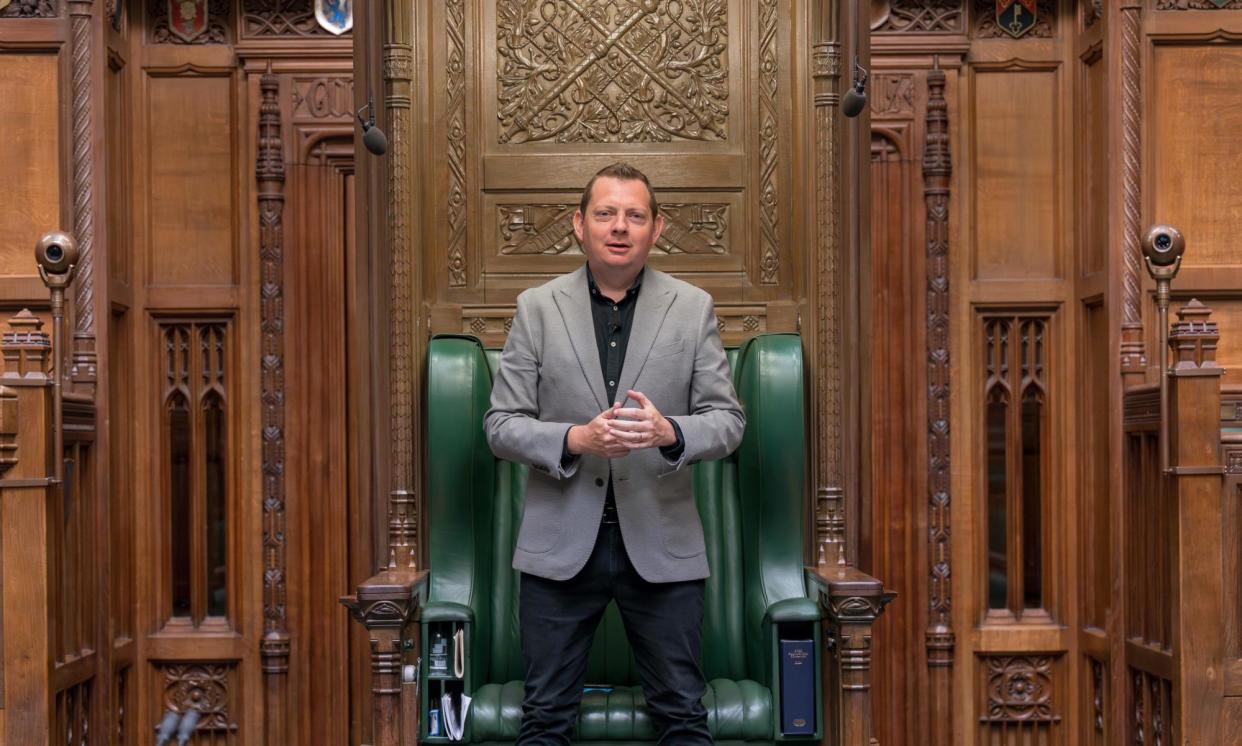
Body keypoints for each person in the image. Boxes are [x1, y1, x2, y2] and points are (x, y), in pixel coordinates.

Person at [485, 162, 745, 745]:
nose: (619, 226)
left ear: (656, 229)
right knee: (545, 719)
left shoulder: (692, 307)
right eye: (605, 213)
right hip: (559, 547)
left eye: (634, 215)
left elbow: (728, 423)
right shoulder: (536, 307)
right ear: (579, 225)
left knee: (683, 715)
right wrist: (575, 439)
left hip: (662, 542)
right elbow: (500, 425)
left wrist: (668, 432)